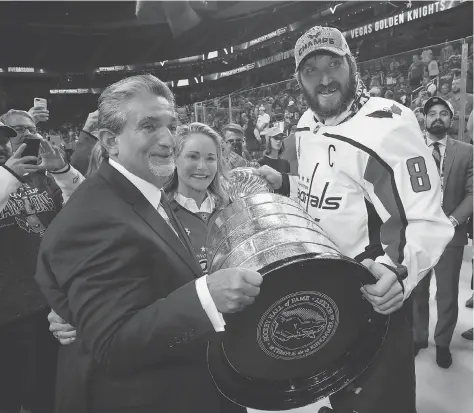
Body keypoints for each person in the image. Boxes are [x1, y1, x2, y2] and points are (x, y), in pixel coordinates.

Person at [35, 74, 261, 413]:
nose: (168, 139)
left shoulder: (144, 194)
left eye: (170, 125)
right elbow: (112, 344)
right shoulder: (93, 217)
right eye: (149, 126)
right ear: (110, 141)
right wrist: (205, 297)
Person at [256, 25, 454, 413]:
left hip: (373, 294)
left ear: (352, 65)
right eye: (311, 70)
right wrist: (285, 184)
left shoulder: (389, 124)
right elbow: (328, 194)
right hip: (326, 288)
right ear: (299, 79)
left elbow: (427, 218)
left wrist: (399, 271)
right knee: (341, 393)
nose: (324, 78)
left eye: (333, 64)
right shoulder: (306, 123)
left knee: (382, 401)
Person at [0, 112, 83, 413]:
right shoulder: (4, 176)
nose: (25, 135)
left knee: (48, 394)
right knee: (9, 395)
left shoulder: (46, 177)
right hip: (8, 310)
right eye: (16, 130)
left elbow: (86, 204)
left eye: (31, 129)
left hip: (50, 304)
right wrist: (10, 175)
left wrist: (62, 169)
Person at [412, 97, 473, 366]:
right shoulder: (410, 150)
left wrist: (453, 221)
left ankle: (443, 343)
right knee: (417, 291)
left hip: (451, 234)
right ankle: (418, 337)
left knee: (447, 293)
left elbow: (472, 193)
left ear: (452, 119)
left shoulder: (467, 151)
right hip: (418, 235)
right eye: (432, 113)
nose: (438, 118)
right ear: (424, 120)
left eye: (443, 113)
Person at [165, 122, 229, 275]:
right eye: (193, 157)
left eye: (210, 159)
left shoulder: (231, 210)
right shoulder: (161, 213)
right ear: (174, 159)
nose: (202, 166)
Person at [258, 127, 290, 196]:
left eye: (280, 138)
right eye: (275, 138)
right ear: (269, 140)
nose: (278, 141)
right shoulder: (261, 163)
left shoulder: (285, 163)